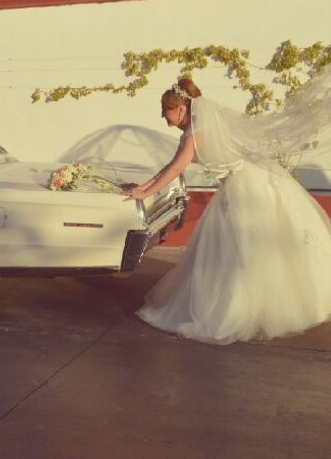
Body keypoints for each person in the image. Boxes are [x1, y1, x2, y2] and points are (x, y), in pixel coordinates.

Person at [122, 75, 331, 345]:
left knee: (243, 250)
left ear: (181, 109)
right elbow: (170, 166)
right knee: (239, 250)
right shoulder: (192, 132)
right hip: (248, 182)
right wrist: (144, 187)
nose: (163, 117)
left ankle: (239, 310)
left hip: (246, 189)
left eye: (166, 111)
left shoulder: (195, 134)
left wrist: (145, 193)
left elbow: (175, 169)